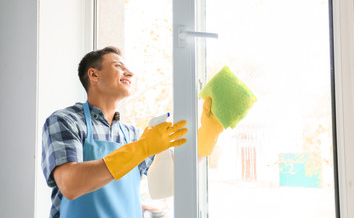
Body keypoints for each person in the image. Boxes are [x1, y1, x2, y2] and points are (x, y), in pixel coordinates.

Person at [42, 46, 223, 218]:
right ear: (94, 74)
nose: (129, 73)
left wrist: (208, 133)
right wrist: (142, 148)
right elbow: (70, 184)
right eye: (118, 66)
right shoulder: (66, 121)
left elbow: (173, 176)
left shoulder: (133, 135)